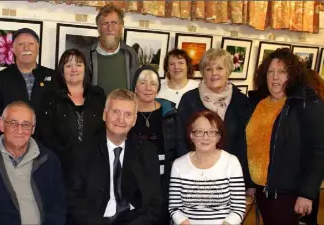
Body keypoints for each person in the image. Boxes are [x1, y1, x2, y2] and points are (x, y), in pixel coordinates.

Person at [246, 48, 324, 225]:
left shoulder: (307, 104)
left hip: (289, 193)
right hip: (262, 190)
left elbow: (319, 151)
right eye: (271, 71)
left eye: (282, 71)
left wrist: (307, 194)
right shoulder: (259, 103)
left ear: (292, 75)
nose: (275, 77)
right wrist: (251, 183)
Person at [68, 89, 162, 225]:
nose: (121, 120)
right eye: (115, 112)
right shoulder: (83, 150)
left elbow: (154, 202)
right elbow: (74, 198)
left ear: (134, 120)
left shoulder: (147, 151)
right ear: (105, 114)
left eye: (128, 114)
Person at [0, 101, 66, 225]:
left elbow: (58, 209)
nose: (20, 130)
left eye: (26, 125)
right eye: (13, 123)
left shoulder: (49, 161)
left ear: (33, 129)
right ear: (2, 125)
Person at [176, 48, 251, 189]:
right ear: (203, 72)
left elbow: (244, 144)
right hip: (195, 175)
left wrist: (247, 181)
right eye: (209, 69)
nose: (214, 73)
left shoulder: (242, 101)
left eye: (220, 68)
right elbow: (181, 139)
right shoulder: (189, 100)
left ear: (228, 71)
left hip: (230, 176)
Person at [35, 49, 106, 176]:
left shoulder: (98, 95)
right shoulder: (50, 97)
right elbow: (45, 136)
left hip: (94, 169)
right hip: (61, 169)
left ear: (85, 69)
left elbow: (105, 131)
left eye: (79, 65)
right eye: (68, 66)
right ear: (62, 71)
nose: (74, 69)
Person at [169, 110, 246, 225]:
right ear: (191, 136)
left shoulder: (231, 162)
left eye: (211, 132)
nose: (205, 137)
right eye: (199, 132)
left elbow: (238, 208)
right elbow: (174, 208)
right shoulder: (179, 164)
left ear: (218, 136)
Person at [130, 65, 179, 225]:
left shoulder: (170, 113)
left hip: (164, 180)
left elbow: (177, 148)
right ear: (134, 87)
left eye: (153, 83)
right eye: (142, 82)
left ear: (158, 87)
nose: (148, 88)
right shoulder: (126, 112)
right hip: (133, 181)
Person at [0, 28, 58, 133]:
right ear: (13, 48)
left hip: (47, 144)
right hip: (13, 142)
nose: (26, 48)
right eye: (21, 44)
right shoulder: (0, 78)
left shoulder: (54, 77)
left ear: (38, 47)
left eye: (31, 44)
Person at [299, 70, 324, 225]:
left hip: (315, 167)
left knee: (308, 213)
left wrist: (318, 167)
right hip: (313, 168)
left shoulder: (321, 108)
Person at [84, 3, 139, 95]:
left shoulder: (130, 54)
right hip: (95, 109)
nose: (110, 28)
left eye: (114, 23)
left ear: (121, 27)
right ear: (99, 28)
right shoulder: (87, 55)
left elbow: (135, 88)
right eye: (105, 23)